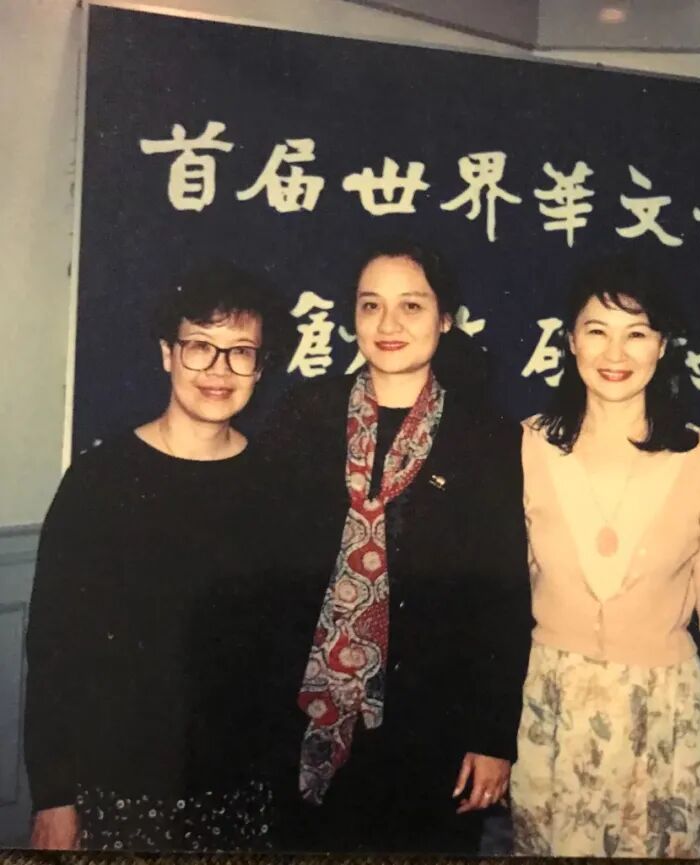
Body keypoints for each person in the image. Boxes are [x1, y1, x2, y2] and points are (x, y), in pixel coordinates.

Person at [260, 239, 532, 854]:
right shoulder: (304, 414)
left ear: (445, 319)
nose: (388, 324)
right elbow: (262, 575)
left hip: (431, 728)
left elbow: (503, 597)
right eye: (371, 305)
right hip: (304, 713)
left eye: (411, 306)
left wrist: (493, 738)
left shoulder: (485, 436)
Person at [24, 263, 292, 851]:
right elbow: (53, 649)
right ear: (167, 353)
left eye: (241, 352)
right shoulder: (100, 481)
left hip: (242, 789)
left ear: (260, 367)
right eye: (200, 347)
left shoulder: (278, 483)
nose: (219, 370)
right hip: (117, 785)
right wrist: (53, 796)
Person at [510, 255, 700, 858]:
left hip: (667, 714)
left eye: (637, 333)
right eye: (597, 331)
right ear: (570, 340)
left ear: (662, 346)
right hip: (551, 707)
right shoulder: (527, 446)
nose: (616, 353)